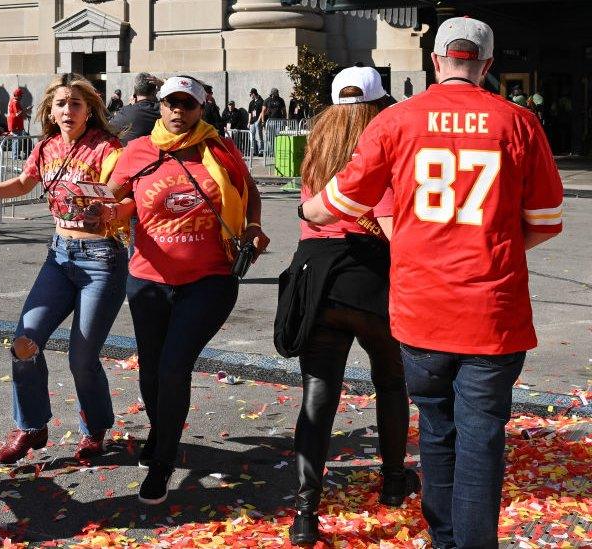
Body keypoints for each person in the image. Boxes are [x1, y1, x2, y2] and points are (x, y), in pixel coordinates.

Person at [300, 17, 564, 548]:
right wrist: (494, 246)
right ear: (487, 65)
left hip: (421, 310)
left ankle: (444, 538)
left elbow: (342, 201)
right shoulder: (517, 122)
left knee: (438, 431)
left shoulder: (399, 121)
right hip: (492, 310)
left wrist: (308, 207)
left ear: (437, 60)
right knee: (482, 440)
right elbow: (545, 220)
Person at [105, 75, 269, 505]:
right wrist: (107, 212)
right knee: (151, 370)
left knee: (174, 367)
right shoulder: (138, 151)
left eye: (188, 105)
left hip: (210, 280)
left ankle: (162, 462)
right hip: (148, 280)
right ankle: (162, 433)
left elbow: (248, 191)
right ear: (158, 106)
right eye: (171, 104)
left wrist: (252, 226)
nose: (179, 112)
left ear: (201, 109)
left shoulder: (219, 148)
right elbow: (119, 199)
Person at [280, 66, 419, 546]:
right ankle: (395, 482)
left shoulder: (317, 148)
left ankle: (304, 512)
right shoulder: (382, 147)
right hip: (371, 276)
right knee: (391, 381)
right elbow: (389, 216)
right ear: (380, 106)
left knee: (317, 396)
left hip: (317, 278)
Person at [0, 73, 127, 466]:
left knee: (81, 357)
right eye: (61, 103)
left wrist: (107, 202)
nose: (68, 110)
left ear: (89, 109)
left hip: (101, 261)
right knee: (24, 342)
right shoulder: (46, 147)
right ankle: (31, 425)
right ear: (51, 110)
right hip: (59, 257)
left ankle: (95, 431)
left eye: (76, 103)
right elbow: (26, 182)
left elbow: (118, 185)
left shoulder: (106, 147)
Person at [110, 73, 162, 146]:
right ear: (154, 92)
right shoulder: (162, 110)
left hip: (128, 155)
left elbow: (109, 128)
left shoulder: (125, 112)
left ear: (135, 92)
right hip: (157, 155)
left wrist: (130, 106)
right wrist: (163, 84)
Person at [7, 87, 31, 159]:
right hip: (15, 124)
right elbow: (18, 113)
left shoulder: (15, 101)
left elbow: (20, 112)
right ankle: (15, 156)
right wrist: (27, 109)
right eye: (21, 95)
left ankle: (15, 155)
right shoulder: (15, 102)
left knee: (17, 140)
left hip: (17, 124)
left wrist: (27, 115)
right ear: (17, 95)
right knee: (16, 140)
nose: (22, 97)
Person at [248, 88, 264, 155]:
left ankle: (261, 151)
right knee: (252, 137)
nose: (250, 96)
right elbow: (250, 113)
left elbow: (262, 112)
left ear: (254, 94)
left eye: (251, 94)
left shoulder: (261, 101)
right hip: (252, 121)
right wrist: (248, 122)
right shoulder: (251, 102)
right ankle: (254, 151)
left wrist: (259, 120)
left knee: (259, 136)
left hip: (258, 121)